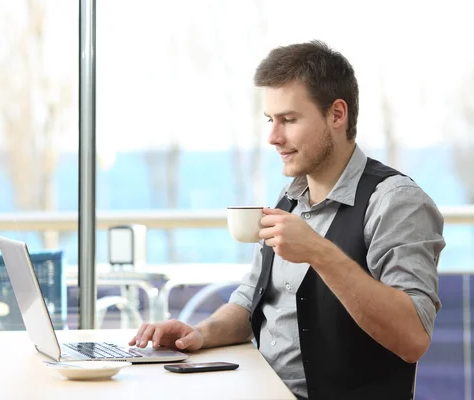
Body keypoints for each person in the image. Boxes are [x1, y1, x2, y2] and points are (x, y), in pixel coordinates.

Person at [129, 40, 445, 400]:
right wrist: (199, 334)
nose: (273, 137)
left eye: (289, 120)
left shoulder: (395, 202)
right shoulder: (289, 198)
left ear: (337, 115)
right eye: (270, 120)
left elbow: (414, 338)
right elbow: (251, 302)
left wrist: (318, 252)